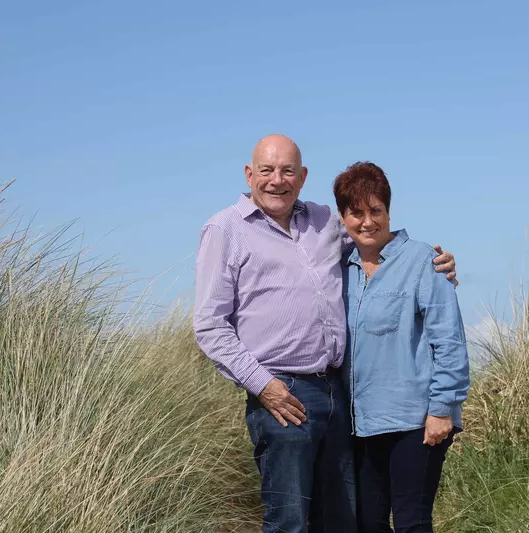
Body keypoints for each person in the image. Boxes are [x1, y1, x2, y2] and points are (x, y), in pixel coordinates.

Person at [193, 135, 458, 533]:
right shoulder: (225, 229)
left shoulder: (323, 222)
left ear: (302, 177)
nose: (276, 180)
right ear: (250, 175)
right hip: (280, 394)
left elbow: (371, 237)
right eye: (266, 171)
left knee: (342, 521)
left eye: (287, 171)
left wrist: (434, 263)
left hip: (339, 396)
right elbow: (210, 325)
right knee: (290, 521)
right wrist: (263, 386)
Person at [333, 161, 470, 533]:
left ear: (389, 211)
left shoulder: (425, 261)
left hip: (416, 421)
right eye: (356, 213)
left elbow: (450, 341)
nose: (367, 222)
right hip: (362, 425)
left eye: (376, 211)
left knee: (411, 522)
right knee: (367, 523)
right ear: (342, 216)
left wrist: (442, 409)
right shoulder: (339, 269)